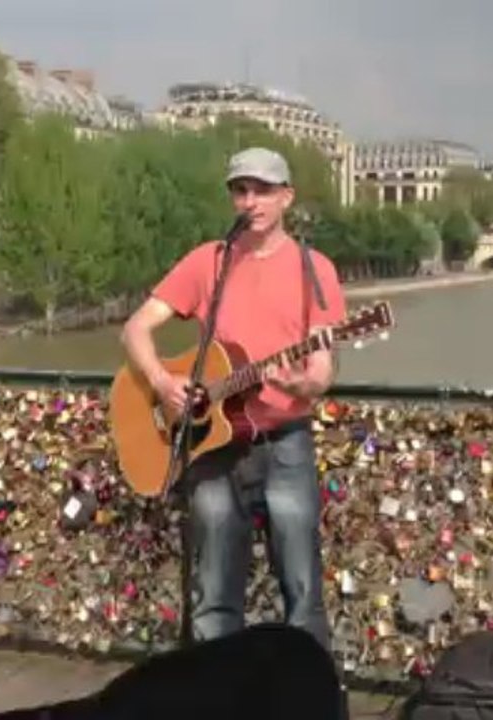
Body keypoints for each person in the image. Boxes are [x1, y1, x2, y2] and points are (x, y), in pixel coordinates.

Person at [120, 147, 346, 653]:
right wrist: (161, 383)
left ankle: (307, 699)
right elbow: (136, 328)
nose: (251, 201)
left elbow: (322, 369)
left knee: (302, 588)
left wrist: (301, 386)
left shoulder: (316, 269)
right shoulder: (208, 262)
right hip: (213, 445)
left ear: (287, 197)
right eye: (241, 190)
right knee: (214, 594)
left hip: (286, 441)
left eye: (263, 190)